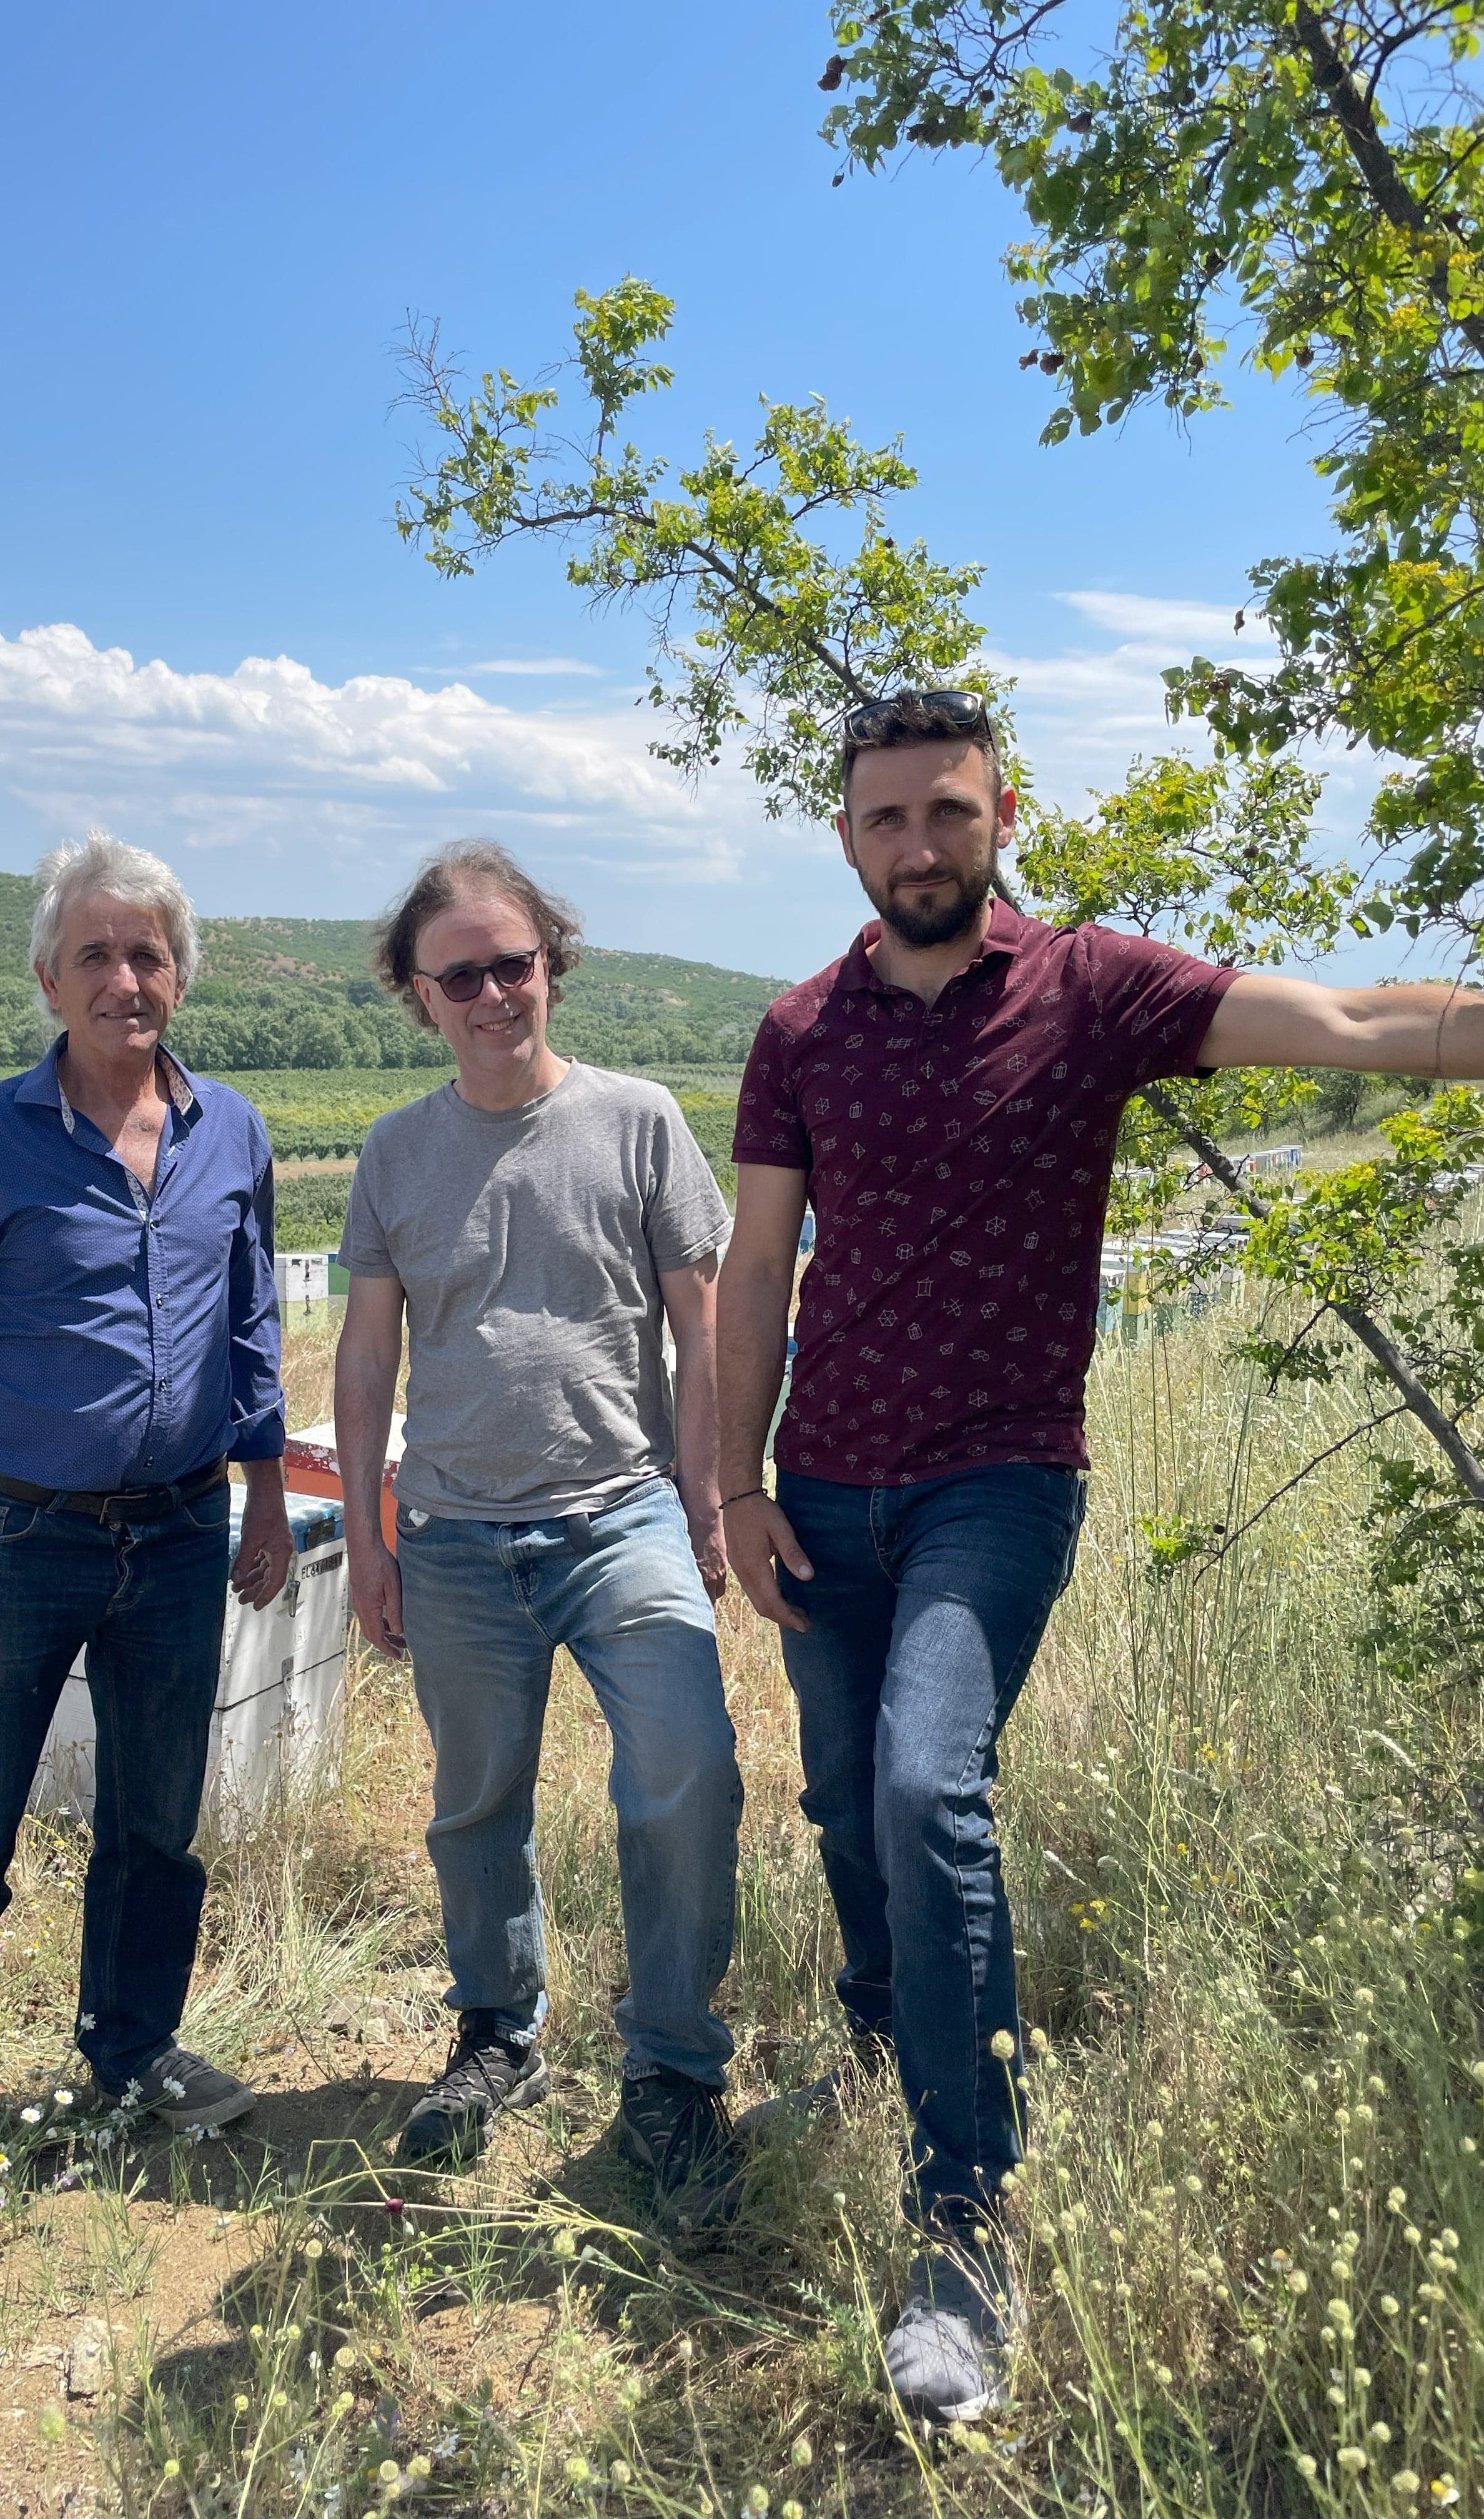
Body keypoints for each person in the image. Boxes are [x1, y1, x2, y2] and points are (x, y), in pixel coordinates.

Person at [716, 687, 1484, 2418]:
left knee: (927, 1787)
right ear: (846, 837)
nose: (919, 842)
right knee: (846, 1803)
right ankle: (886, 2046)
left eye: (949, 811)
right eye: (887, 817)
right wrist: (734, 1487)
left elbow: (1352, 1018)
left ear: (1001, 817)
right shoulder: (799, 1029)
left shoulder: (1096, 989)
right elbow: (757, 1274)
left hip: (999, 1478)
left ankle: (968, 2218)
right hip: (822, 1485)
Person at [0, 830, 293, 2215]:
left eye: (147, 953)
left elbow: (254, 1323)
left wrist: (267, 1492)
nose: (122, 977)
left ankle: (133, 2049)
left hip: (176, 1535)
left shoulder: (235, 1134)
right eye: (93, 953)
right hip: (14, 1540)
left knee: (158, 1823)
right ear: (49, 977)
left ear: (180, 977)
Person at [334, 842, 746, 2230]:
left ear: (552, 963)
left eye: (517, 963)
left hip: (621, 1513)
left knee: (686, 1771)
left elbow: (705, 1331)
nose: (498, 992)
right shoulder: (394, 1150)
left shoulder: (640, 1122)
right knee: (473, 1810)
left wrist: (711, 1501)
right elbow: (368, 1353)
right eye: (464, 974)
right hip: (452, 1533)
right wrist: (371, 1535)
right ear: (419, 994)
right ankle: (497, 2034)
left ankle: (675, 2071)